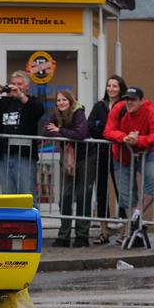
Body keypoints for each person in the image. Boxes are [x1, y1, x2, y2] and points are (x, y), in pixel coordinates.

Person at [103, 87, 154, 244]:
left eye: (133, 99)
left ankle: (134, 218)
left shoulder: (151, 110)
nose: (129, 102)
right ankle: (133, 233)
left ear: (141, 101)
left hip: (146, 153)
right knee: (126, 195)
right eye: (127, 99)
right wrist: (124, 137)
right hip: (121, 155)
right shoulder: (119, 108)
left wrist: (139, 140)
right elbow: (108, 131)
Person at [0, 70, 44, 206]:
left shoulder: (32, 102)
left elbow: (38, 111)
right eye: (13, 83)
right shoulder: (5, 102)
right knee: (8, 196)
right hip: (3, 155)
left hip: (24, 156)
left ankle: (31, 226)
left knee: (27, 194)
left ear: (27, 87)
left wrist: (20, 95)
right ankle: (12, 227)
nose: (15, 86)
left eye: (19, 84)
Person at [44, 91, 91, 247]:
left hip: (84, 158)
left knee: (83, 195)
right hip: (67, 159)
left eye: (64, 99)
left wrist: (60, 131)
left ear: (70, 101)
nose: (61, 103)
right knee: (65, 196)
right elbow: (45, 131)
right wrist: (61, 133)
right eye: (58, 100)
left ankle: (82, 236)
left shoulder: (79, 112)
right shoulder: (55, 113)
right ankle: (63, 235)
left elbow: (80, 133)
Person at [87, 75, 127, 244]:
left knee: (122, 190)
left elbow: (124, 127)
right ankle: (104, 231)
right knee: (102, 191)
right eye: (109, 85)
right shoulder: (99, 106)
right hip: (102, 152)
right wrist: (106, 133)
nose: (111, 89)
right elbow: (90, 126)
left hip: (119, 152)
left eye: (115, 86)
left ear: (120, 89)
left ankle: (126, 230)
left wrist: (105, 130)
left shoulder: (124, 106)